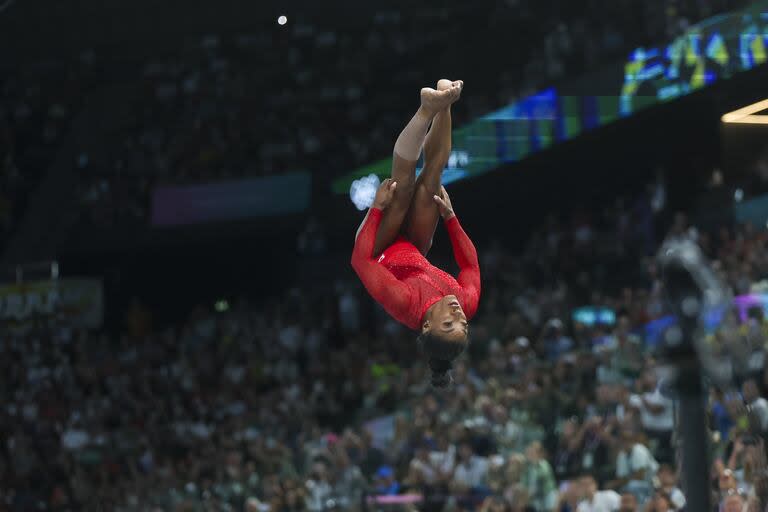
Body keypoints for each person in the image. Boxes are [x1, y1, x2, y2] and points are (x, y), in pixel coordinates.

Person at [351, 79, 481, 388]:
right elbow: (470, 267)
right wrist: (450, 219)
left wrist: (376, 212)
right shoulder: (465, 302)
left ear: (426, 326)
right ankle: (444, 100)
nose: (459, 315)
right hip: (412, 246)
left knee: (402, 188)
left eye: (449, 323)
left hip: (377, 248)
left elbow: (360, 262)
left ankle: (425, 110)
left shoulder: (404, 303)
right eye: (462, 323)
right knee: (432, 185)